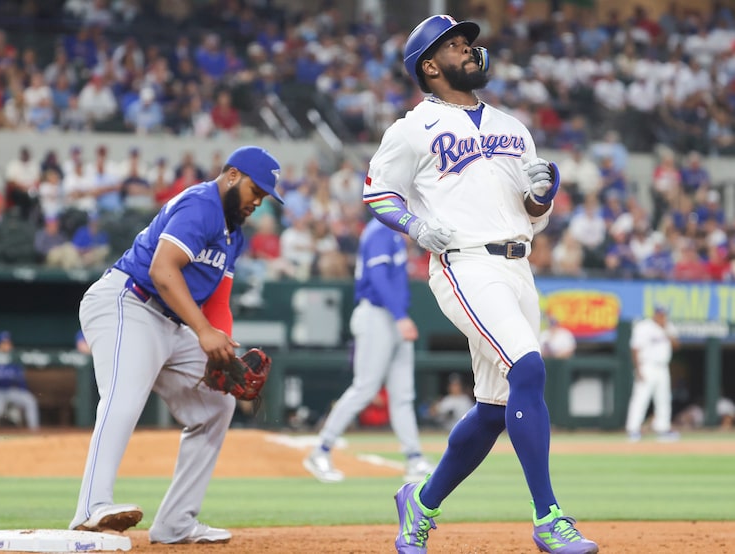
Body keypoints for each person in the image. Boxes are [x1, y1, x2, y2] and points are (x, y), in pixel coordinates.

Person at [362, 15, 598, 553]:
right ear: (430, 66)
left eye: (469, 42)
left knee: (495, 410)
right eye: (455, 45)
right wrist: (416, 226)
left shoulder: (514, 127)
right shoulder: (411, 128)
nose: (470, 49)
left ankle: (419, 503)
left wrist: (543, 195)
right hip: (463, 263)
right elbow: (378, 192)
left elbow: (532, 212)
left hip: (518, 263)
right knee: (529, 366)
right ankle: (548, 518)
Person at [69, 145, 284, 545]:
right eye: (257, 190)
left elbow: (218, 302)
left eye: (265, 196)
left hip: (172, 321)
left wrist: (220, 350)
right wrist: (203, 333)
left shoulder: (233, 234)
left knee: (217, 404)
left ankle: (176, 523)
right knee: (124, 394)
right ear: (233, 175)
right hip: (129, 303)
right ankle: (90, 508)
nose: (259, 201)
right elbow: (162, 269)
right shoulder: (201, 204)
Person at [303, 218, 433, 483]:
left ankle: (414, 459)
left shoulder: (394, 233)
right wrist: (400, 316)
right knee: (365, 388)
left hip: (394, 317)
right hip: (377, 315)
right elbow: (377, 278)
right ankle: (321, 450)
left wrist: (399, 316)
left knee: (403, 395)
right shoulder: (379, 231)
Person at [625, 305, 680, 442]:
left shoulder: (668, 326)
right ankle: (633, 429)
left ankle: (662, 429)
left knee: (664, 399)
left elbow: (676, 345)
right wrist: (638, 369)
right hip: (646, 365)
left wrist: (666, 330)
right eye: (660, 314)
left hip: (662, 367)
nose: (662, 316)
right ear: (655, 314)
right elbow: (635, 349)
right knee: (640, 398)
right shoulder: (643, 327)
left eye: (664, 314)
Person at [0, 331, 40, 430]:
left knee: (30, 401)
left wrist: (22, 390)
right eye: (4, 343)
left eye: (8, 343)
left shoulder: (14, 358)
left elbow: (21, 380)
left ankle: (34, 431)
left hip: (12, 390)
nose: (7, 345)